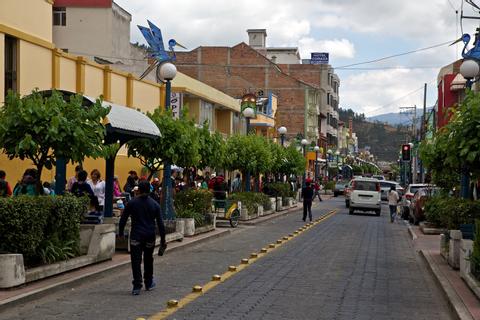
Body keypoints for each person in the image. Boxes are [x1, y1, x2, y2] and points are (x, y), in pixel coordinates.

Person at [119, 180, 166, 296]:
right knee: (148, 259)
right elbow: (160, 224)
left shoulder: (132, 203)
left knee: (136, 260)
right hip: (150, 235)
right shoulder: (155, 205)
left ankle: (137, 285)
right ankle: (149, 282)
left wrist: (120, 233)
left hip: (136, 235)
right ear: (149, 190)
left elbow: (123, 219)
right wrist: (163, 241)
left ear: (138, 190)